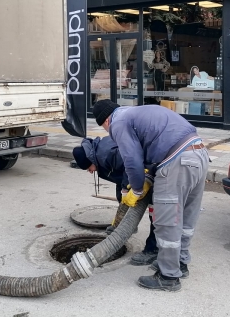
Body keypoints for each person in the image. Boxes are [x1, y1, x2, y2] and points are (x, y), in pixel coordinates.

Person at [91, 99, 210, 292]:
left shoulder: (118, 123)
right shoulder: (136, 113)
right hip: (199, 154)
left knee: (167, 222)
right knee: (186, 219)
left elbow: (131, 160)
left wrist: (137, 190)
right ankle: (180, 264)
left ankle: (168, 277)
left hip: (177, 162)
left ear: (105, 122)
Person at [72, 137, 159, 265]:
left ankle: (153, 250)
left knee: (155, 214)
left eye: (88, 168)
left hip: (153, 170)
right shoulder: (98, 152)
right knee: (126, 197)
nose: (90, 172)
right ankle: (125, 227)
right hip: (143, 170)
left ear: (89, 160)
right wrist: (120, 218)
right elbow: (119, 173)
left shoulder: (105, 154)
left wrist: (126, 188)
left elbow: (130, 164)